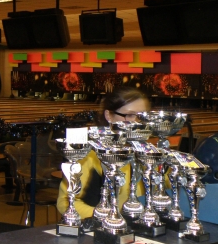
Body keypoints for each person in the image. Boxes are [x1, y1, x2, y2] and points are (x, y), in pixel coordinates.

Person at [56, 86, 149, 221]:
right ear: (108, 115)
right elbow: (65, 202)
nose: (137, 122)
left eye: (142, 116)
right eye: (129, 115)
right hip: (99, 229)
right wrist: (111, 218)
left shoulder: (149, 153)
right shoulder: (90, 154)